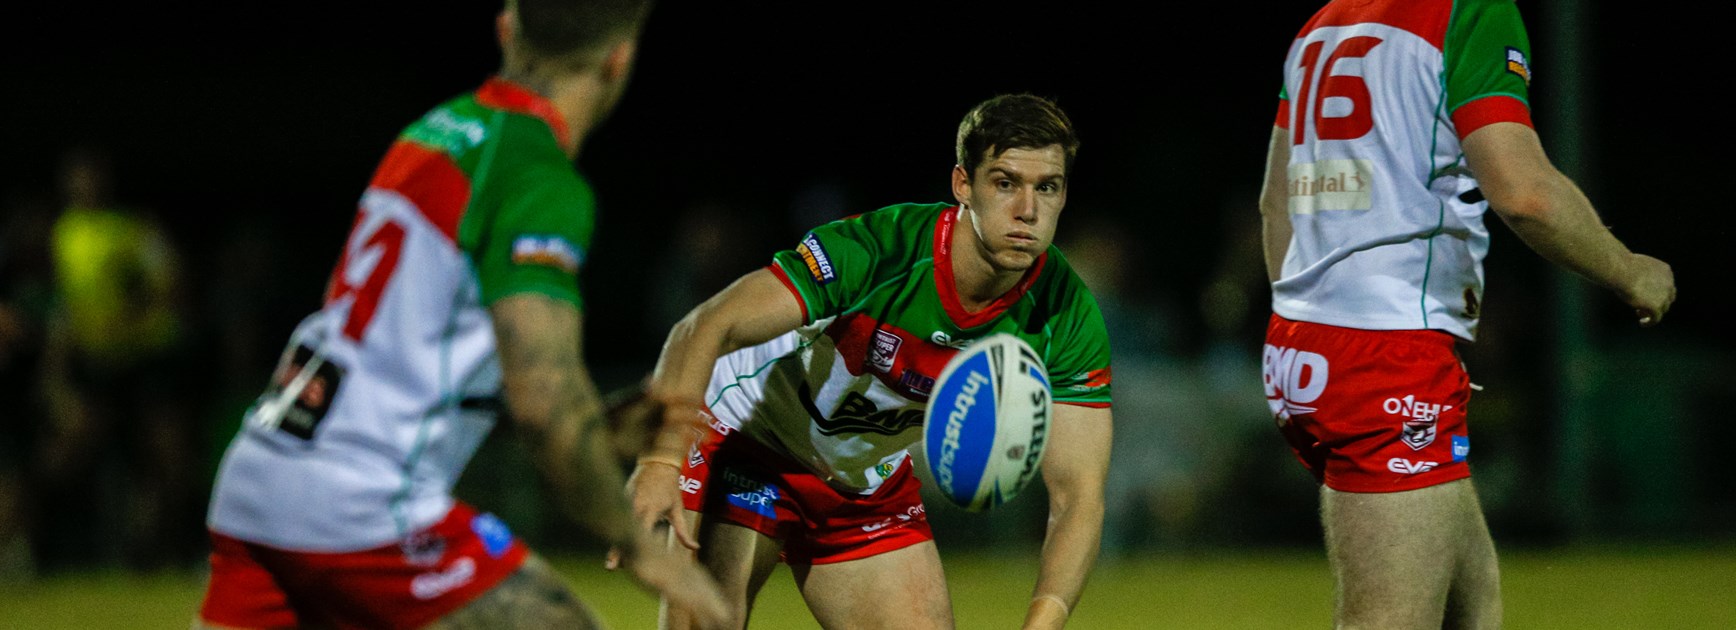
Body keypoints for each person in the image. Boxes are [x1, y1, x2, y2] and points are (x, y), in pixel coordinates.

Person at [195, 1, 729, 628]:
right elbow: (544, 401)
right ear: (619, 59)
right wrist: (643, 551)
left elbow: (411, 351)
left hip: (262, 470)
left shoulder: (434, 133)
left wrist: (592, 428)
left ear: (506, 28)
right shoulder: (538, 176)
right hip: (360, 501)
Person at [623, 94, 1115, 629]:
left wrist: (1042, 624)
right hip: (749, 440)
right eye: (1005, 183)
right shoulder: (882, 250)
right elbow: (703, 327)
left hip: (860, 481)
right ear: (963, 185)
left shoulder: (1067, 313)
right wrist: (660, 461)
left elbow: (1079, 498)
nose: (1027, 210)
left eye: (1047, 187)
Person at [1258, 1, 1677, 627]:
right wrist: (1629, 269)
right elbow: (1524, 194)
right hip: (1385, 353)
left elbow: (1276, 204)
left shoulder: (1324, 22)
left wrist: (1309, 330)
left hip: (1302, 342)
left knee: (1474, 607)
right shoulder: (1468, 9)